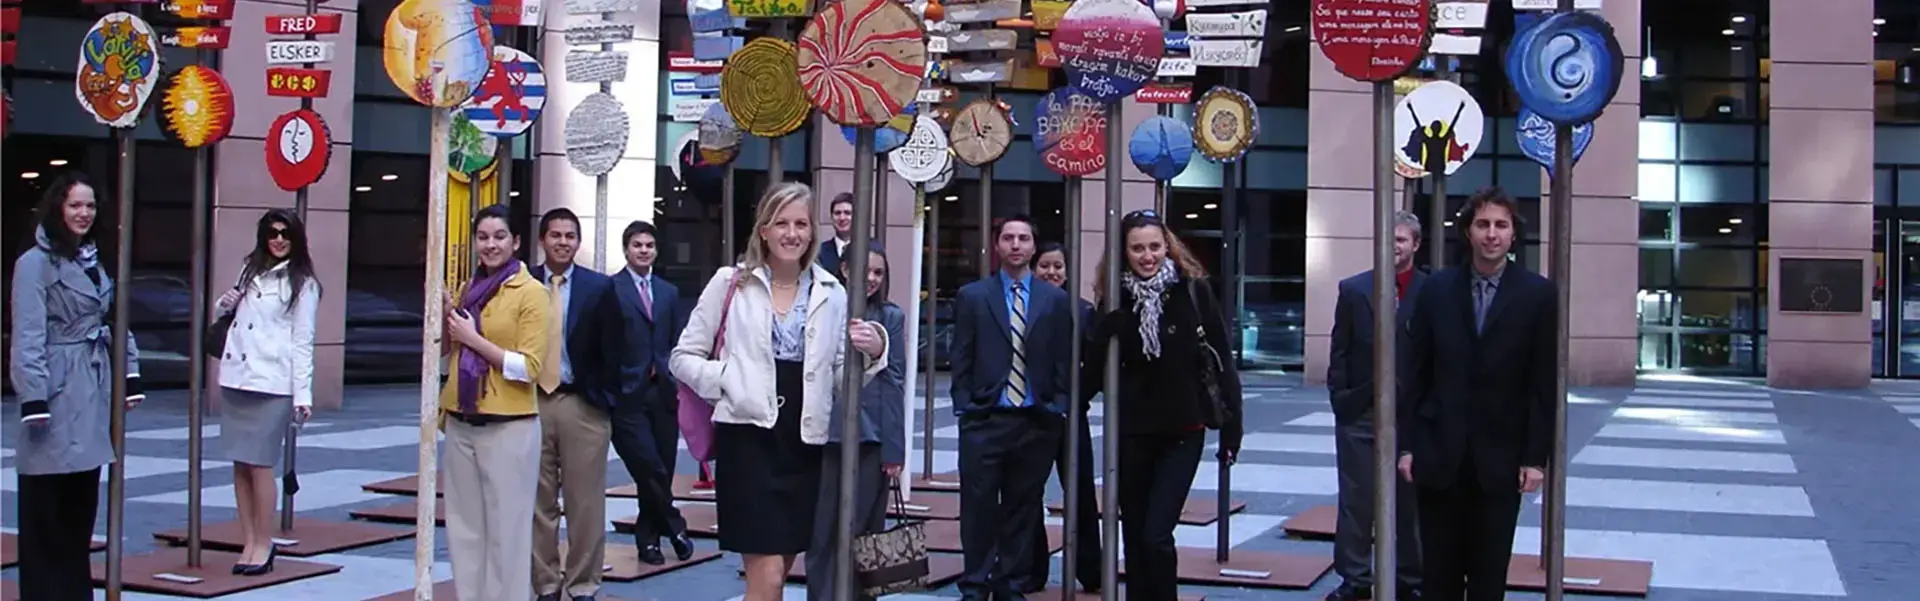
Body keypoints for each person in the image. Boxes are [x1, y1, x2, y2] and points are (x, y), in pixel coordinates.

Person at [671, 182, 888, 601]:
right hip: (748, 439)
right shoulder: (731, 283)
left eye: (801, 224)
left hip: (802, 442)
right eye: (781, 223)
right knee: (768, 577)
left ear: (812, 231)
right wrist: (729, 380)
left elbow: (844, 376)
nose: (792, 233)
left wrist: (876, 348)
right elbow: (683, 357)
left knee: (781, 571)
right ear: (763, 230)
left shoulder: (831, 291)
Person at [1398, 188, 1555, 601]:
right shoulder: (1436, 290)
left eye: (1500, 225)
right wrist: (1407, 446)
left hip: (1501, 460)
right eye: (1483, 224)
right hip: (1439, 455)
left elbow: (1543, 384)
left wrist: (1535, 459)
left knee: (1489, 580)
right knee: (1439, 579)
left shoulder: (1538, 295)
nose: (1491, 234)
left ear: (1513, 235)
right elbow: (1415, 375)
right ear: (1467, 231)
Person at [1085, 209, 1243, 601]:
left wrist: (1231, 428)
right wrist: (1105, 331)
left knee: (1157, 535)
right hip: (1133, 433)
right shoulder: (1114, 298)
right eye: (1137, 248)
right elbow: (1091, 374)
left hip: (1182, 431)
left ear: (1168, 247)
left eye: (1154, 246)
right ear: (1124, 253)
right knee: (1135, 536)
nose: (1147, 255)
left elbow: (1221, 357)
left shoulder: (1192, 290)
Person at [10, 172, 143, 601]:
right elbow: (27, 334)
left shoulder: (94, 259)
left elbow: (112, 319)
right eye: (74, 206)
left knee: (80, 506)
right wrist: (33, 397)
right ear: (57, 209)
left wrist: (129, 372)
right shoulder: (34, 263)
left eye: (89, 206)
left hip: (93, 384)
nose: (83, 214)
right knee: (46, 505)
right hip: (55, 387)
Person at [949, 215, 1074, 601]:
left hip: (1035, 420)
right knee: (977, 507)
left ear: (1033, 247)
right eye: (1009, 238)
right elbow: (961, 356)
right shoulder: (973, 296)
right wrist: (965, 406)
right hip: (985, 419)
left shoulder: (1054, 299)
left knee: (1023, 508)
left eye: (1023, 238)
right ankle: (975, 583)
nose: (1016, 245)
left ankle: (1011, 584)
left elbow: (1062, 358)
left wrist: (1058, 405)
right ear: (997, 245)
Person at [438, 204, 551, 601]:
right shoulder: (469, 289)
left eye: (499, 236)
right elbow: (445, 351)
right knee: (465, 528)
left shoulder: (532, 292)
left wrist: (474, 340)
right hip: (461, 419)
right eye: (483, 237)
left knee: (508, 531)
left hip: (510, 425)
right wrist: (444, 317)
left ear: (516, 242)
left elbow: (529, 367)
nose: (490, 245)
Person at [212, 208, 320, 576]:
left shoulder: (303, 284)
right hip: (238, 377)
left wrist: (303, 396)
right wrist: (224, 303)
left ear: (296, 239)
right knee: (240, 464)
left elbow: (303, 341)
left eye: (285, 234)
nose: (278, 240)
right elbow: (235, 318)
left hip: (274, 383)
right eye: (272, 233)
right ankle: (249, 540)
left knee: (260, 465)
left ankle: (264, 541)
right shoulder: (250, 270)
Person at [1325, 210, 1427, 601]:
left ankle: (1410, 582)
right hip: (1361, 412)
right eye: (1388, 238)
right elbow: (1340, 351)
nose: (1394, 246)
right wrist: (1342, 399)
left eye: (1401, 239)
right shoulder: (1353, 291)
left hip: (1413, 417)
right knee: (1356, 502)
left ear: (1415, 244)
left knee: (1411, 504)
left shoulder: (1431, 291)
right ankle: (1355, 582)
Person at [807, 243, 908, 601]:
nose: (871, 279)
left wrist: (895, 450)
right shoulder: (822, 307)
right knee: (823, 529)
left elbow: (895, 382)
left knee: (866, 531)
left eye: (878, 272)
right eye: (865, 269)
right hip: (824, 433)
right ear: (845, 269)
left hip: (872, 437)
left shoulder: (891, 316)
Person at [528, 208, 616, 601]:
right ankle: (545, 584)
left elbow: (620, 346)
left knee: (585, 505)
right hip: (531, 403)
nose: (563, 242)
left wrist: (609, 399)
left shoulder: (599, 287)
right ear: (542, 239)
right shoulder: (522, 281)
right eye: (555, 235)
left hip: (583, 404)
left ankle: (582, 585)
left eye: (570, 235)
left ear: (578, 242)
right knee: (537, 502)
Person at [603, 219, 696, 566]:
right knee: (649, 467)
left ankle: (650, 541)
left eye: (649, 245)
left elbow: (676, 341)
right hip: (627, 394)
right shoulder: (610, 289)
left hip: (663, 393)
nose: (644, 250)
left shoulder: (669, 292)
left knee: (662, 470)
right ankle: (676, 528)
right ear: (626, 249)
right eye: (637, 245)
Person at [1021, 241, 1102, 594]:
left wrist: (1072, 399)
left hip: (1071, 417)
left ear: (1068, 272)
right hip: (1030, 417)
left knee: (1081, 493)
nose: (1051, 273)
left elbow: (1095, 368)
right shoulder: (1022, 306)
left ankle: (1092, 570)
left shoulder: (1083, 313)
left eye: (1058, 267)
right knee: (1027, 494)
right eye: (1045, 266)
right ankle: (1032, 569)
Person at [817, 192, 855, 277]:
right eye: (837, 213)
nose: (842, 218)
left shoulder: (869, 249)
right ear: (831, 217)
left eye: (847, 213)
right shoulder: (819, 252)